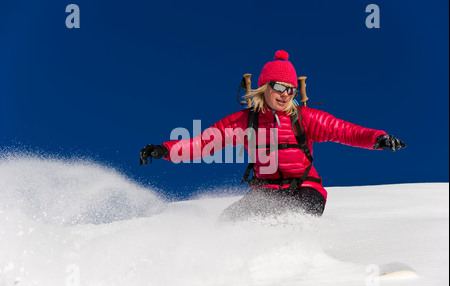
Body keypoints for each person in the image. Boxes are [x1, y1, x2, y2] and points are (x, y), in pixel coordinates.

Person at [140, 50, 406, 221]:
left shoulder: (304, 118)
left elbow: (344, 130)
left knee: (288, 222)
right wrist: (165, 150)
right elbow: (204, 144)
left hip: (305, 190)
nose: (285, 94)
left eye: (291, 89)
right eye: (279, 87)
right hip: (265, 192)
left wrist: (377, 138)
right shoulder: (246, 122)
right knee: (228, 222)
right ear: (264, 87)